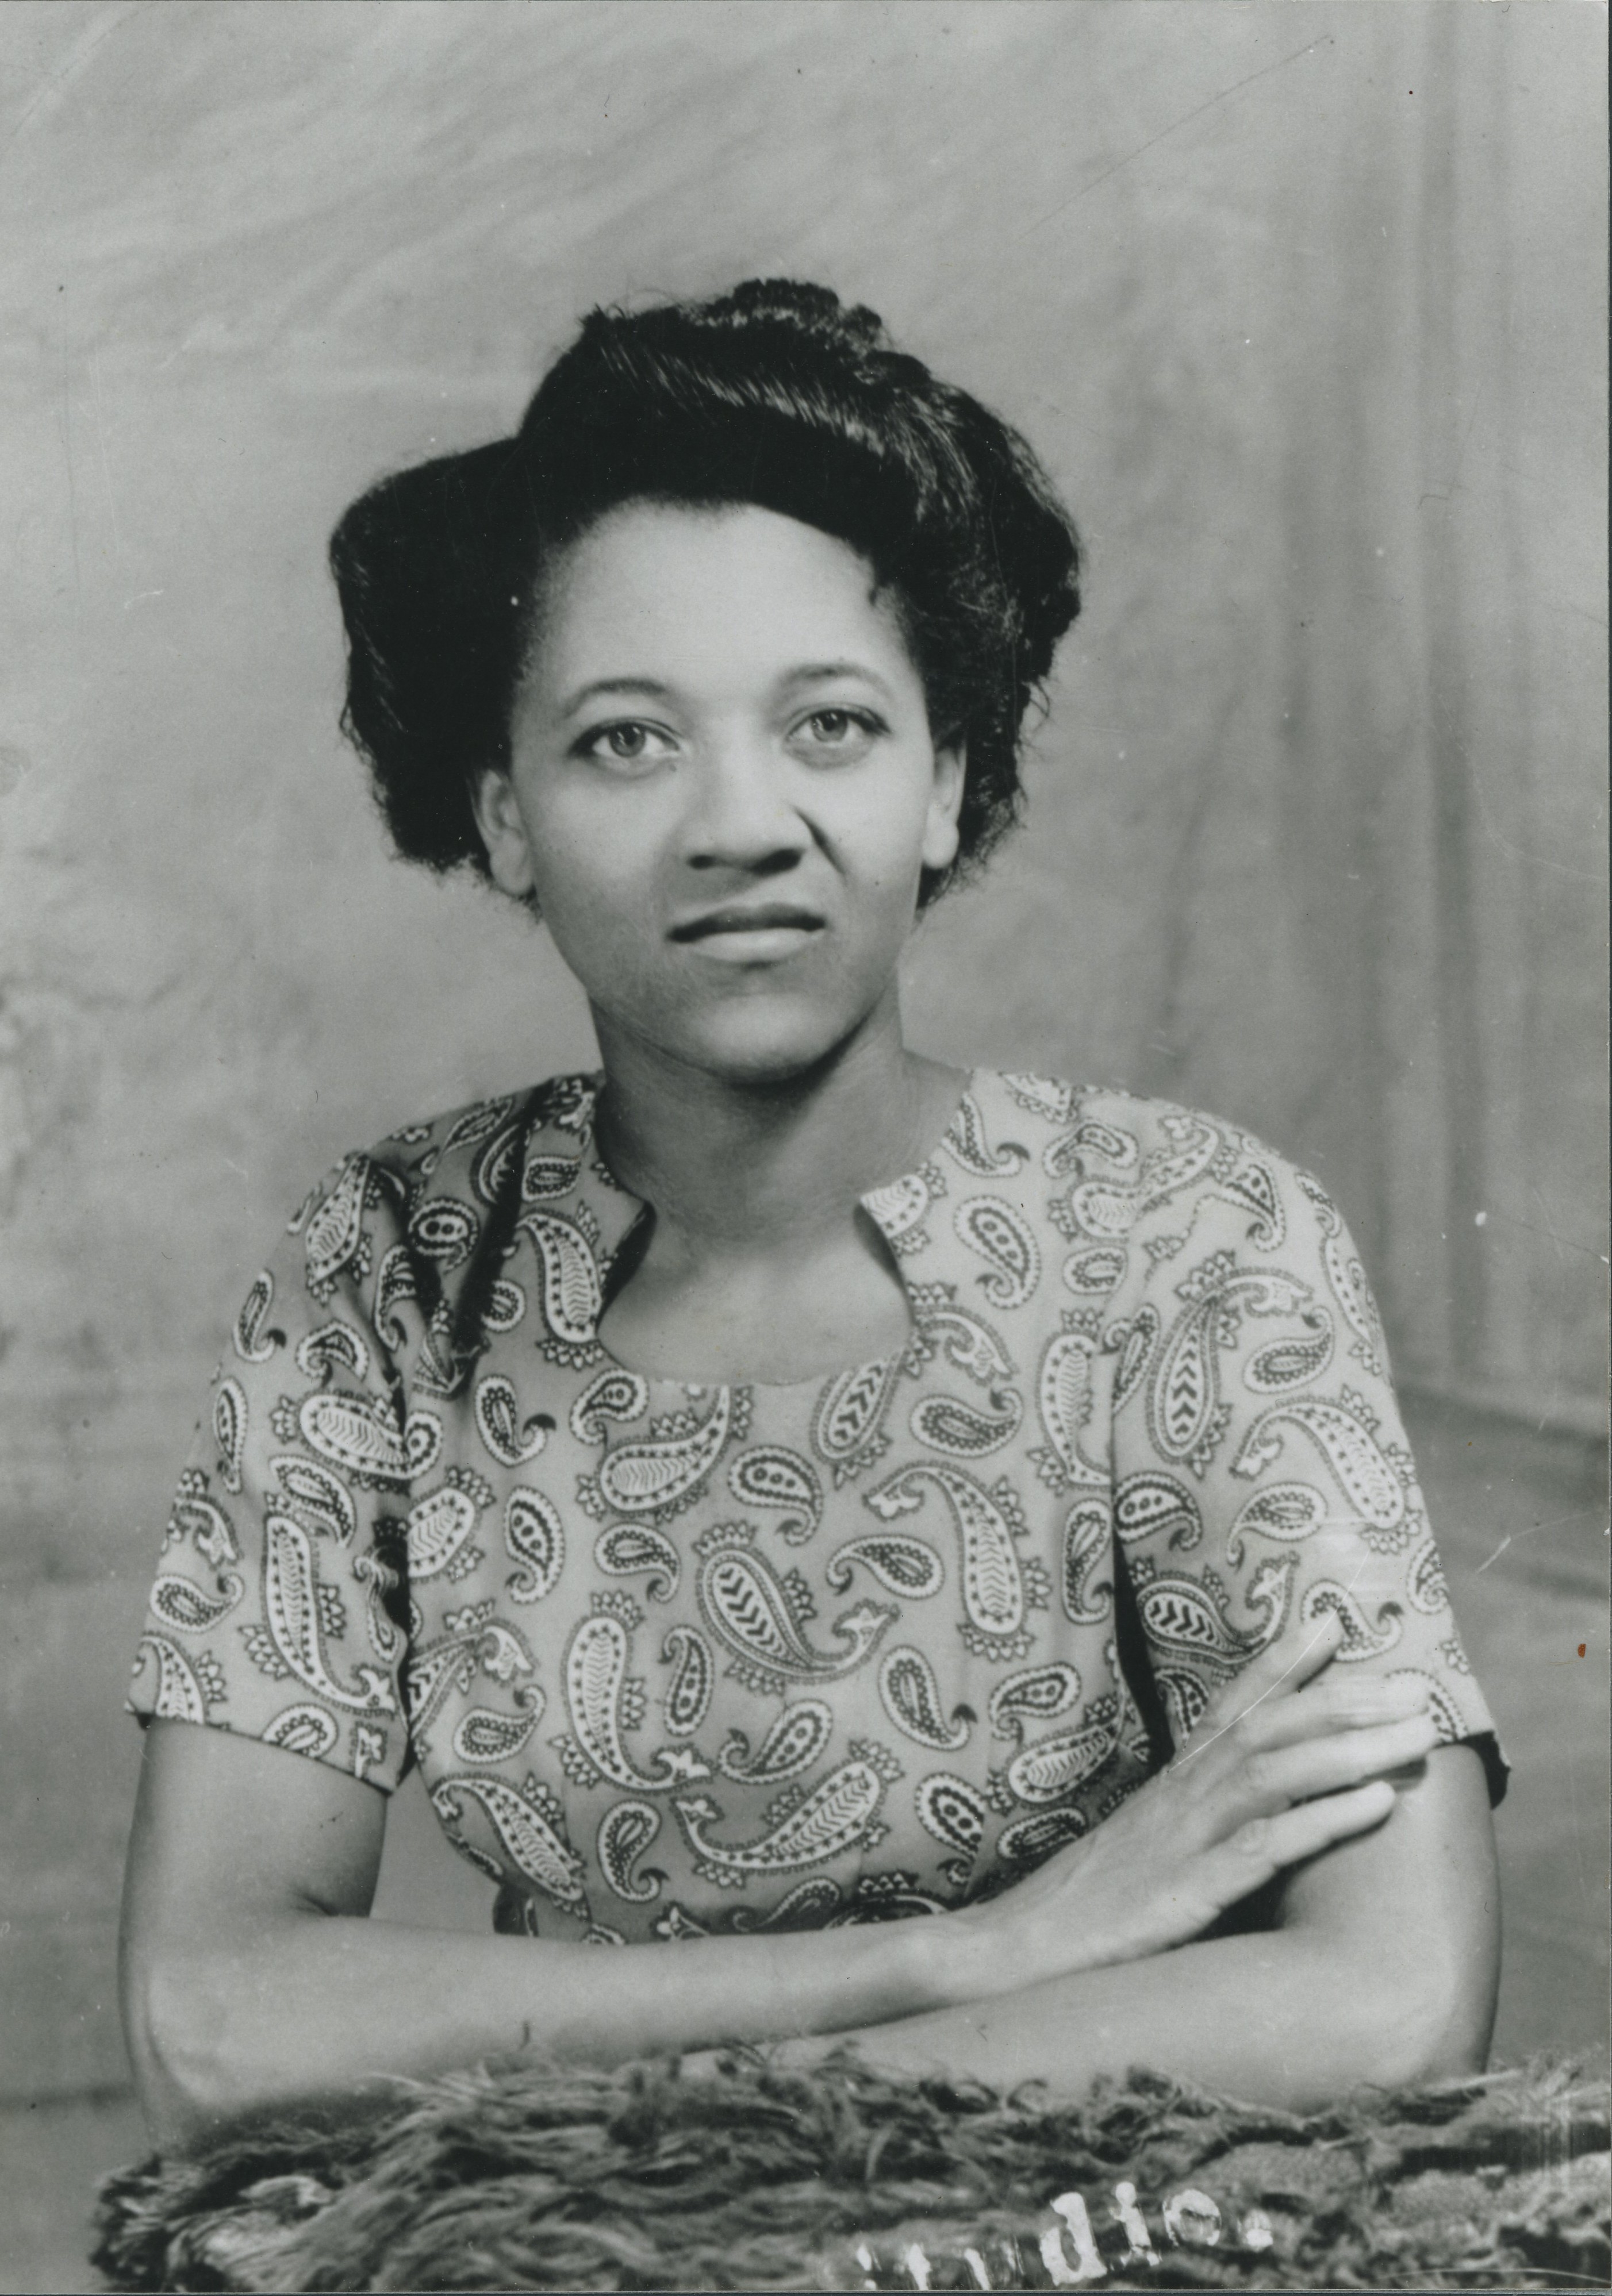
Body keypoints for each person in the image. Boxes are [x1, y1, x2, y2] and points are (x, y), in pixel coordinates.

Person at [119, 280, 1503, 2153]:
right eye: (624, 739)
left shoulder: (1189, 1238)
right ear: (502, 812)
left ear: (943, 781)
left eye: (832, 724)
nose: (739, 822)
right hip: (567, 2263)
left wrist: (712, 2131)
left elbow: (1387, 1993)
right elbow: (211, 2015)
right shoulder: (387, 1265)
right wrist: (972, 1953)